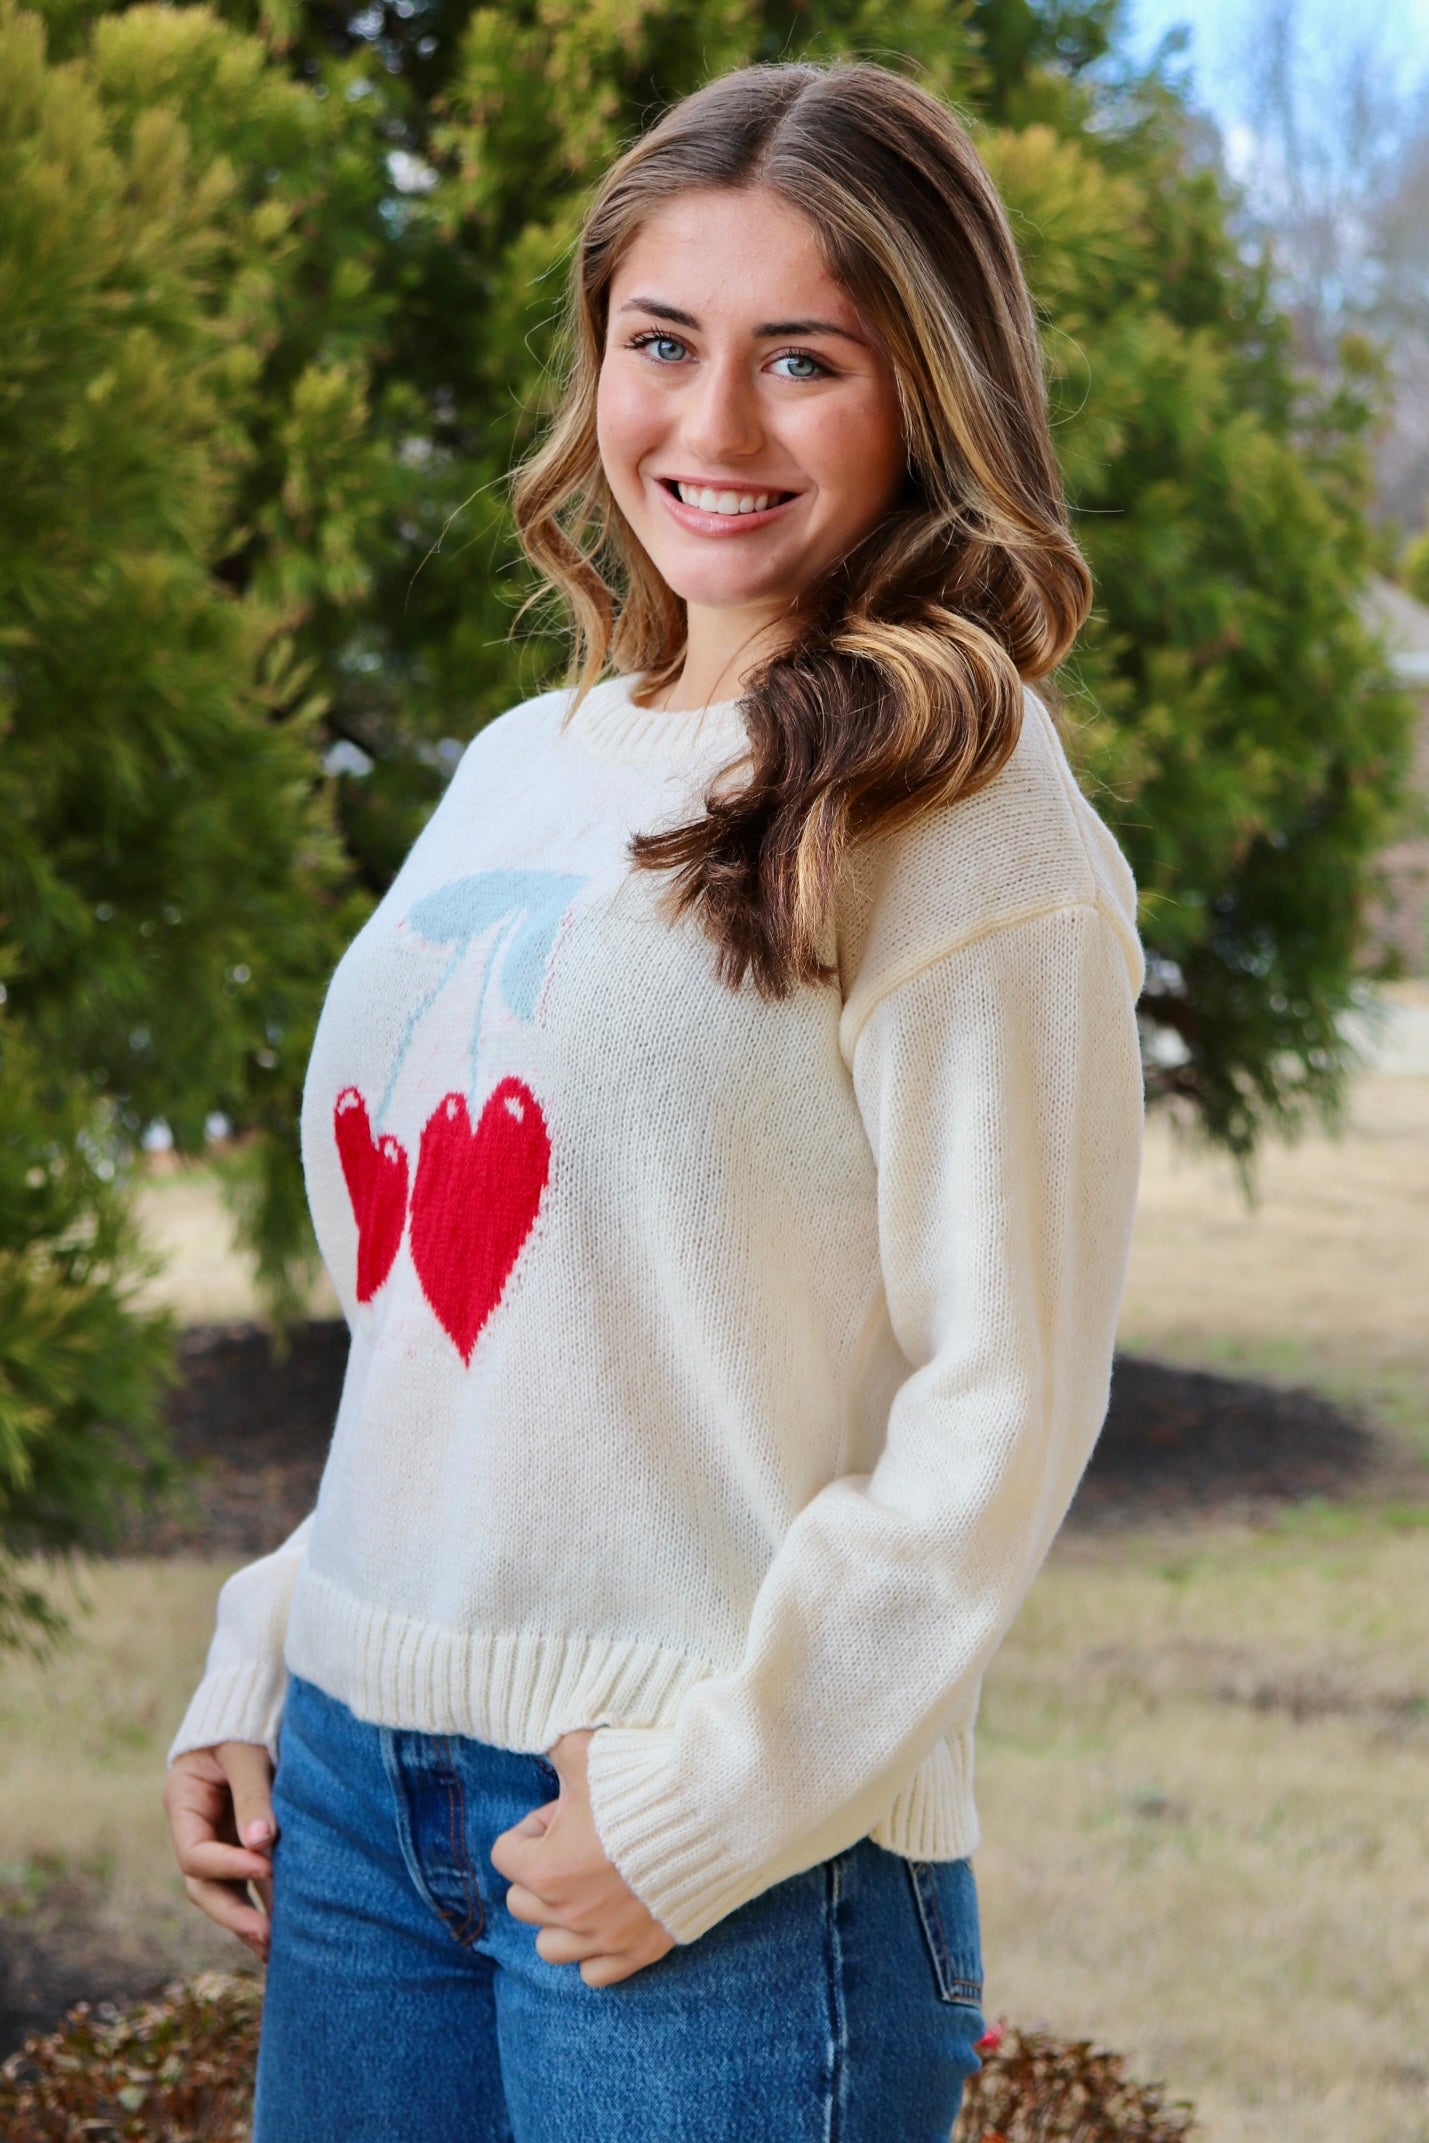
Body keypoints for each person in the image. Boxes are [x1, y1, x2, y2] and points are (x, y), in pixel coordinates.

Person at [163, 56, 1145, 2143]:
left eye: (805, 360)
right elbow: (468, 1324)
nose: (709, 428)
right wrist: (280, 1636)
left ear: (928, 396)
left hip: (709, 1854)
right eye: (659, 343)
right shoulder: (530, 759)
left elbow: (1008, 1398)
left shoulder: (966, 814)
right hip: (356, 1791)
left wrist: (719, 1796)